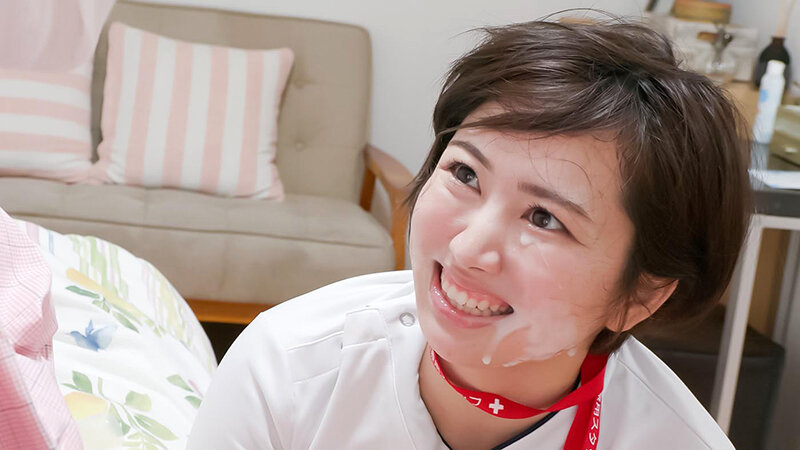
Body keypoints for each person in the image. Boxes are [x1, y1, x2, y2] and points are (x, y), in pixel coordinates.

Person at [187, 17, 750, 450]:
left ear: (640, 295)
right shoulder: (288, 369)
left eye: (544, 218)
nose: (467, 249)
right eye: (465, 174)